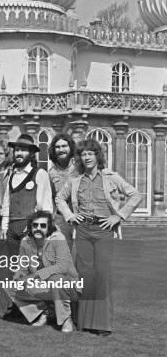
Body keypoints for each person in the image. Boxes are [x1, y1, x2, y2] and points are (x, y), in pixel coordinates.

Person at [56, 139, 142, 335]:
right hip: (84, 230)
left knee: (102, 274)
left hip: (104, 230)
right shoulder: (75, 180)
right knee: (85, 275)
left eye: (90, 154)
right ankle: (85, 322)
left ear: (97, 156)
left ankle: (102, 325)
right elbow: (59, 198)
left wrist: (118, 216)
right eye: (83, 154)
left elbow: (135, 195)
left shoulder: (111, 177)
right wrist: (69, 215)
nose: (86, 157)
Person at [4, 211, 78, 333]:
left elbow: (63, 267)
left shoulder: (58, 238)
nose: (38, 228)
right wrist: (18, 275)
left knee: (57, 279)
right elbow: (22, 267)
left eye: (43, 226)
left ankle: (66, 318)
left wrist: (36, 275)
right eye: (35, 225)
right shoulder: (25, 242)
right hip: (42, 285)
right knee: (10, 285)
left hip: (67, 286)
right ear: (30, 226)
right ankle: (46, 311)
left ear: (49, 226)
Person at [1, 134, 52, 256]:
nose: (19, 153)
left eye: (23, 150)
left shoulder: (40, 173)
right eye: (17, 150)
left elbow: (46, 206)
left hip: (30, 228)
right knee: (13, 267)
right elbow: (7, 203)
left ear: (31, 153)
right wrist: (4, 227)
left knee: (32, 267)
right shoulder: (12, 175)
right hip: (11, 230)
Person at [48, 133, 77, 250]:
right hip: (61, 220)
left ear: (70, 148)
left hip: (80, 218)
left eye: (64, 146)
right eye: (57, 147)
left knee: (84, 259)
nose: (61, 150)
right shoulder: (52, 172)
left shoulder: (80, 168)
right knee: (62, 256)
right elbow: (52, 198)